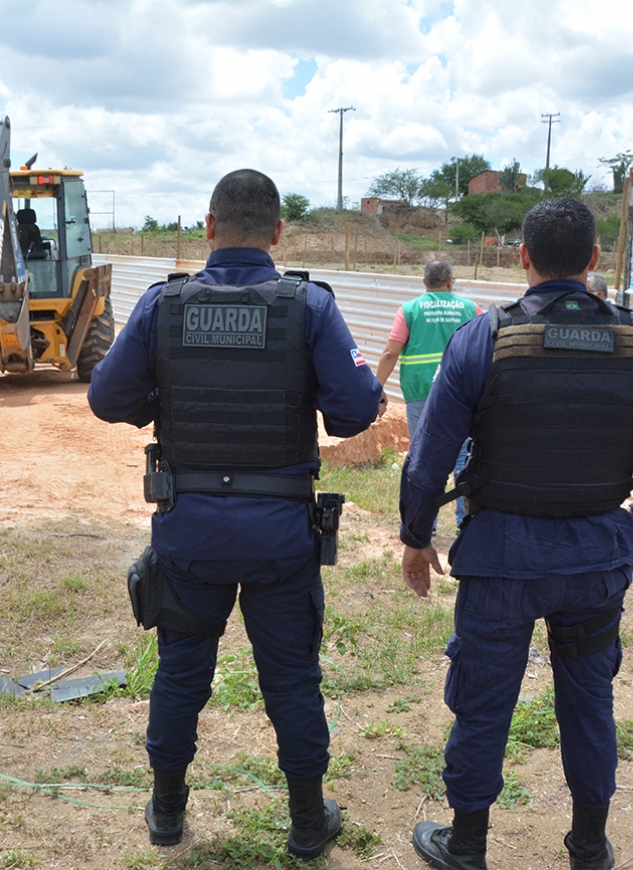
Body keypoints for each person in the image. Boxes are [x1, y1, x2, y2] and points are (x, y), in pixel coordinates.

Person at [399, 198, 633, 870]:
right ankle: (590, 847)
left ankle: (469, 845)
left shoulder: (486, 337)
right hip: (596, 561)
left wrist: (416, 535)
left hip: (501, 560)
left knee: (483, 704)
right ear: (596, 260)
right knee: (590, 702)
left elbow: (428, 457)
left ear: (523, 259)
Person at [87, 169, 383, 859]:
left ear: (209, 227)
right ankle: (309, 823)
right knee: (292, 684)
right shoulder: (309, 306)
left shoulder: (165, 304)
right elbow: (353, 410)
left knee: (180, 674)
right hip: (281, 539)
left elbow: (107, 398)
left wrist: (158, 401)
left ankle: (166, 813)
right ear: (279, 233)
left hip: (190, 534)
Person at [374, 260, 480, 530]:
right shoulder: (471, 309)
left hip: (420, 393)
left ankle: (422, 525)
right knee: (462, 459)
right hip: (461, 395)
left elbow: (390, 353)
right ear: (450, 281)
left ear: (424, 283)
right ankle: (464, 521)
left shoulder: (409, 310)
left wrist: (376, 390)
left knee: (423, 457)